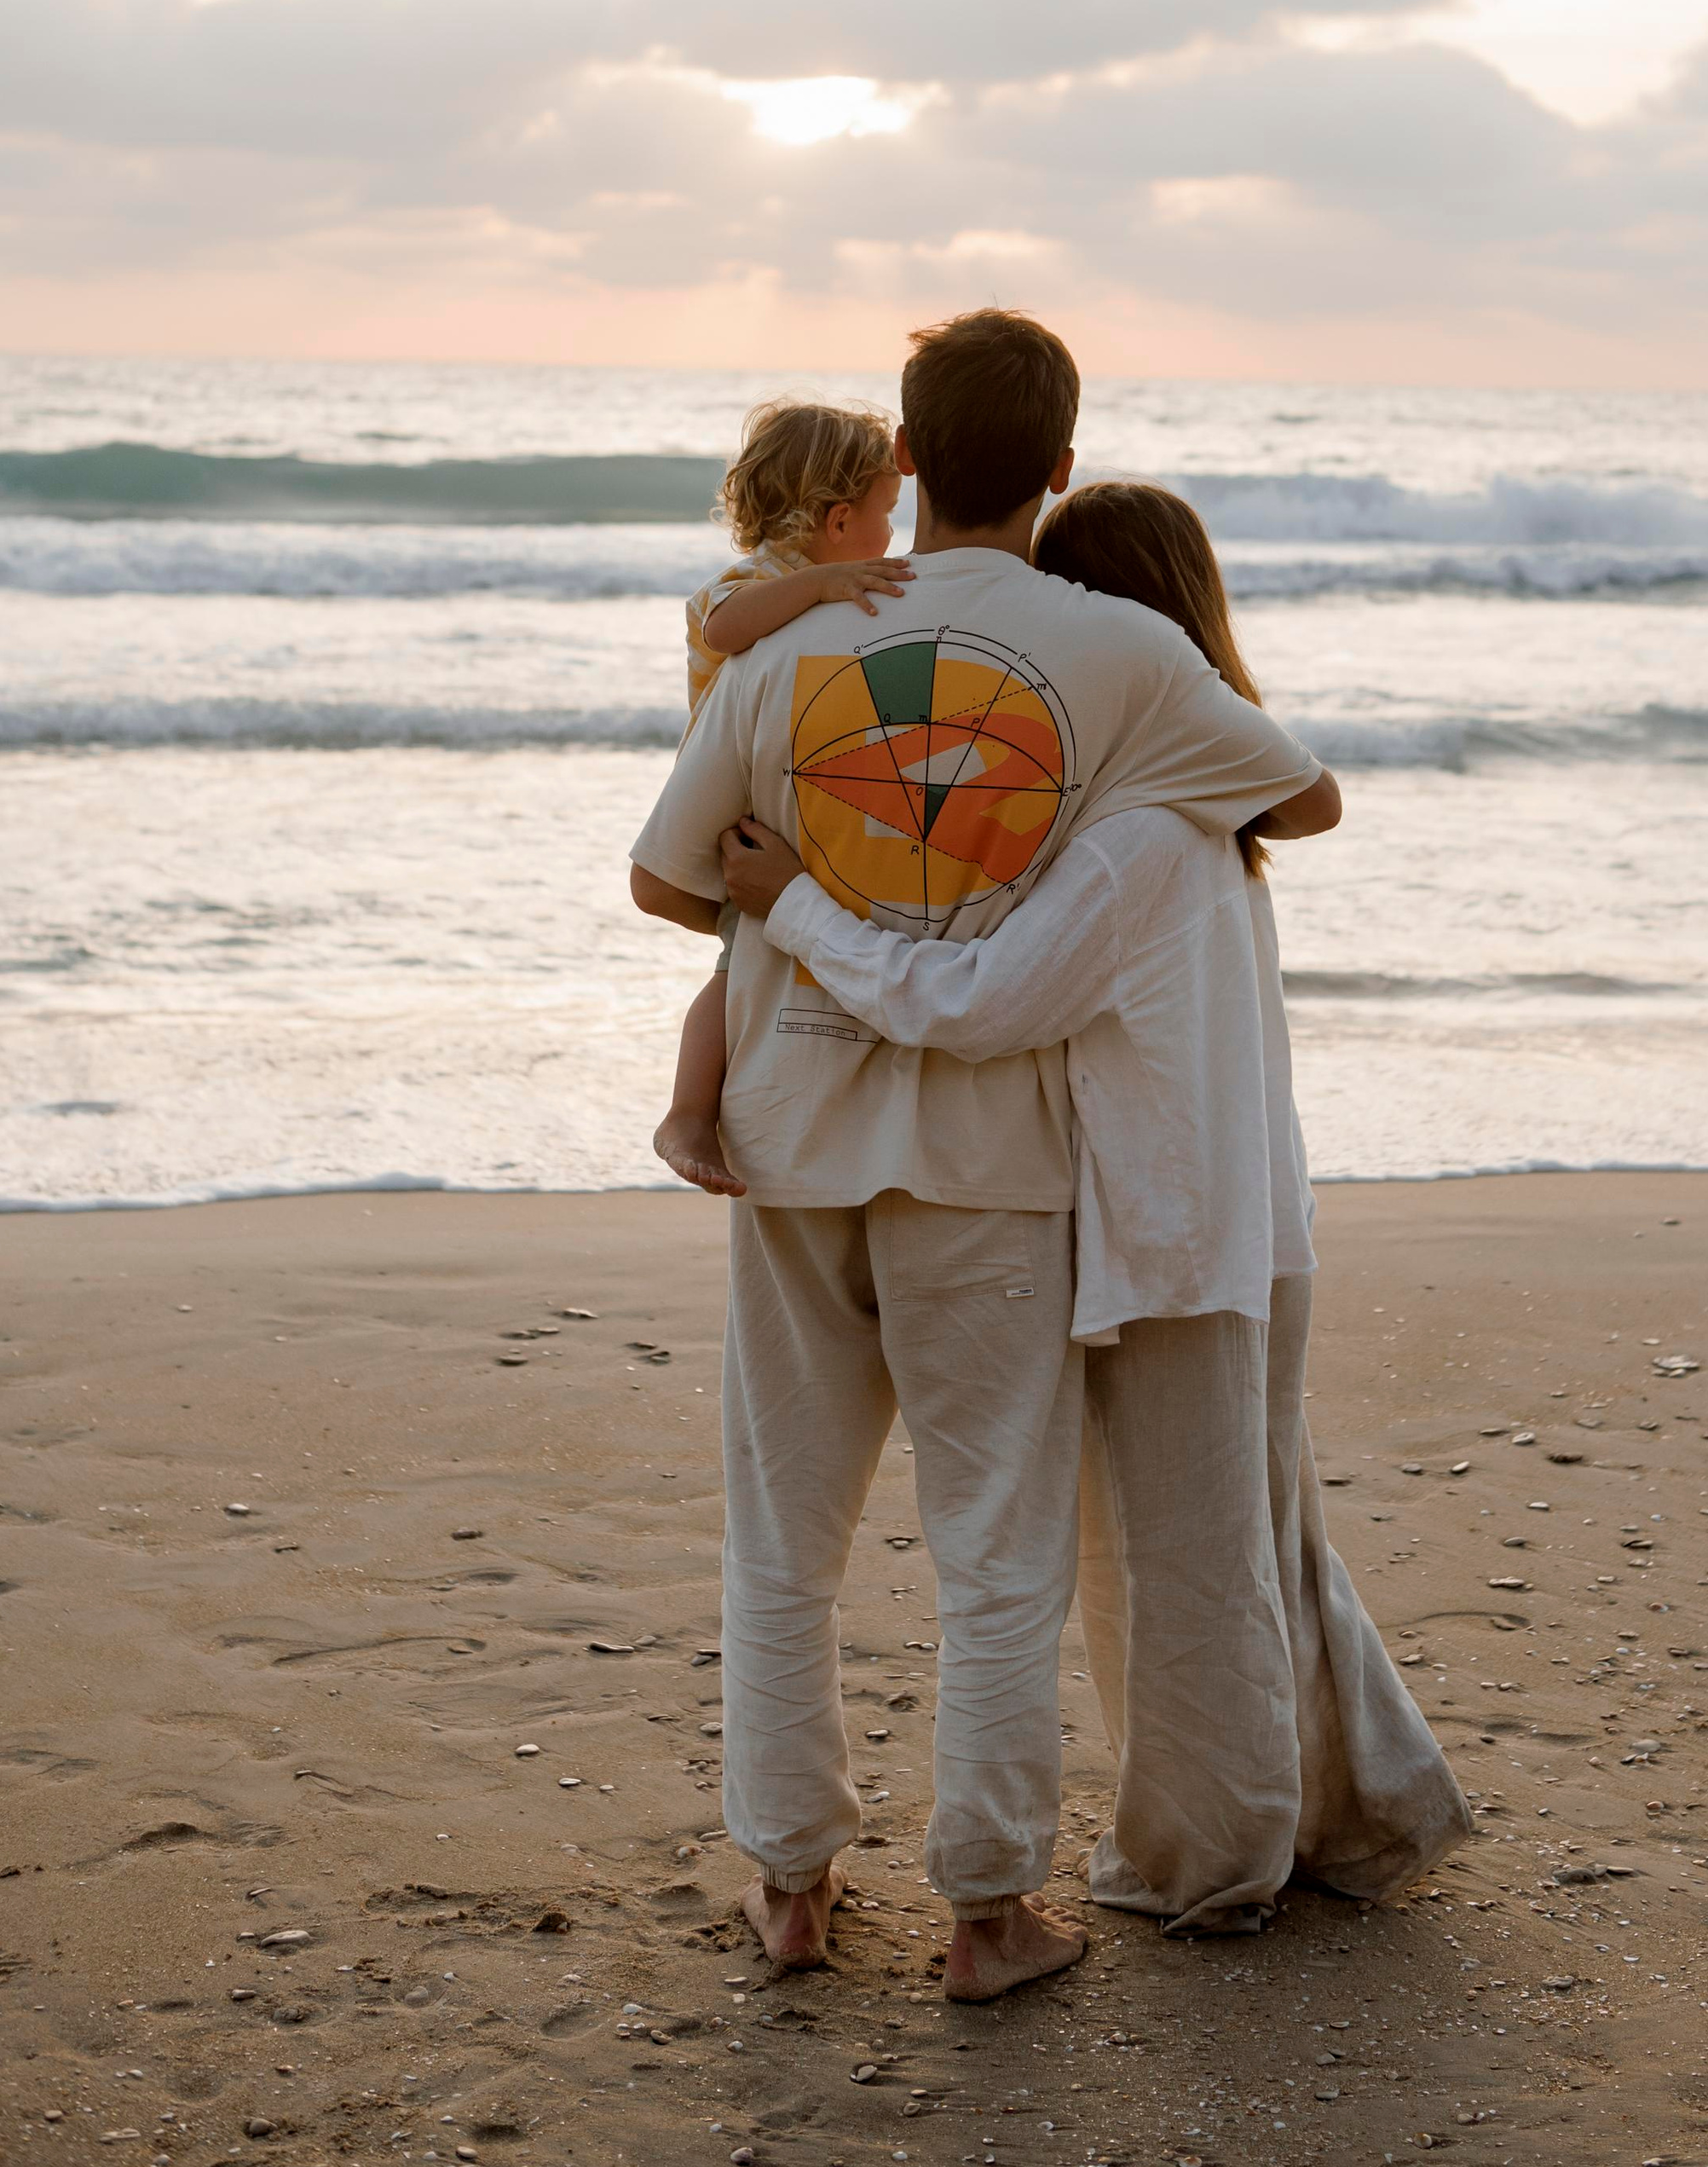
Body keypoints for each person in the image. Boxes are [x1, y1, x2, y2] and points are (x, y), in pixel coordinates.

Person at [629, 311, 1337, 1999]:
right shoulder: (1118, 657)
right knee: (996, 1551)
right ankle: (983, 1912)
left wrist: (821, 882)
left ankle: (789, 1883)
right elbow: (1296, 802)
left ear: (909, 457)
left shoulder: (789, 656)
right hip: (990, 1164)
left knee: (781, 1531)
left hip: (787, 1140)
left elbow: (670, 881)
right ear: (1061, 467)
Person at [721, 479, 1470, 1936]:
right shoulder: (1196, 798)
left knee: (1190, 1570)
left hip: (1167, 1231)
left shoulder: (1137, 830)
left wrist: (800, 907)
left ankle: (1215, 1858)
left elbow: (982, 1002)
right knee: (1229, 1547)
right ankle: (1343, 1809)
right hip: (1214, 1219)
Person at [655, 397, 913, 1199]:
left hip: (787, 801)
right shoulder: (748, 585)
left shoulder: (806, 586)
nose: (890, 536)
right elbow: (725, 626)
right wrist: (824, 586)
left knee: (777, 961)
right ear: (838, 523)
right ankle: (688, 1113)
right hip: (740, 816)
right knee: (738, 970)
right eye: (885, 515)